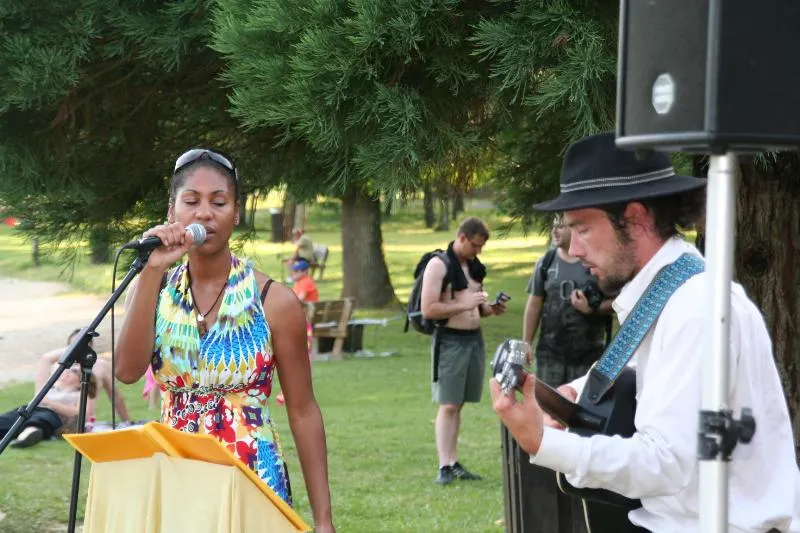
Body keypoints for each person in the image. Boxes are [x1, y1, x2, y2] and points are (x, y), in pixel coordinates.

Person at [491, 132, 800, 532]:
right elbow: (645, 374)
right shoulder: (663, 296)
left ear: (634, 218)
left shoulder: (696, 308)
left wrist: (543, 443)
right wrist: (575, 392)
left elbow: (663, 463)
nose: (575, 248)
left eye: (582, 229)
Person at [114, 148, 335, 533]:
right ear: (172, 211)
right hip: (176, 481)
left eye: (219, 202)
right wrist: (151, 272)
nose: (204, 213)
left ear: (236, 212)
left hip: (251, 479)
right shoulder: (157, 287)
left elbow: (302, 410)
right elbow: (127, 371)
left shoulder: (275, 302)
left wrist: (324, 521)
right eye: (191, 201)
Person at [420, 216, 507, 485]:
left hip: (474, 340)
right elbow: (429, 308)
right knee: (448, 404)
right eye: (475, 245)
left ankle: (453, 460)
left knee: (459, 404)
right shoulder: (439, 264)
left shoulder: (473, 266)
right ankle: (443, 466)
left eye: (481, 247)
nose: (478, 251)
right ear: (461, 238)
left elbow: (477, 307)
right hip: (450, 341)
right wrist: (465, 303)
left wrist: (491, 308)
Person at [523, 213, 614, 386]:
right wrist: (526, 343)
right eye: (553, 226)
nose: (554, 231)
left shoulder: (596, 262)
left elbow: (618, 303)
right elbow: (534, 305)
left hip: (589, 356)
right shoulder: (545, 262)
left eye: (561, 226)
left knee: (581, 409)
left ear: (575, 230)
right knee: (548, 409)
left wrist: (592, 309)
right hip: (549, 354)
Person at [36, 329, 131, 423]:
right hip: (50, 415)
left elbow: (116, 397)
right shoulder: (59, 365)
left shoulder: (100, 366)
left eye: (82, 345)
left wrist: (127, 422)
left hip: (80, 416)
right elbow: (45, 359)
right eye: (75, 345)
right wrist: (73, 349)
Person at [0, 357, 98, 448]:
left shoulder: (80, 393)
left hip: (53, 415)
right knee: (7, 419)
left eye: (75, 371)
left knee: (39, 421)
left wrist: (50, 403)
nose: (68, 372)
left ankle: (27, 436)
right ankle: (22, 433)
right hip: (30, 409)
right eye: (69, 369)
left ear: (83, 379)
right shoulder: (51, 386)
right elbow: (46, 359)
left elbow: (80, 413)